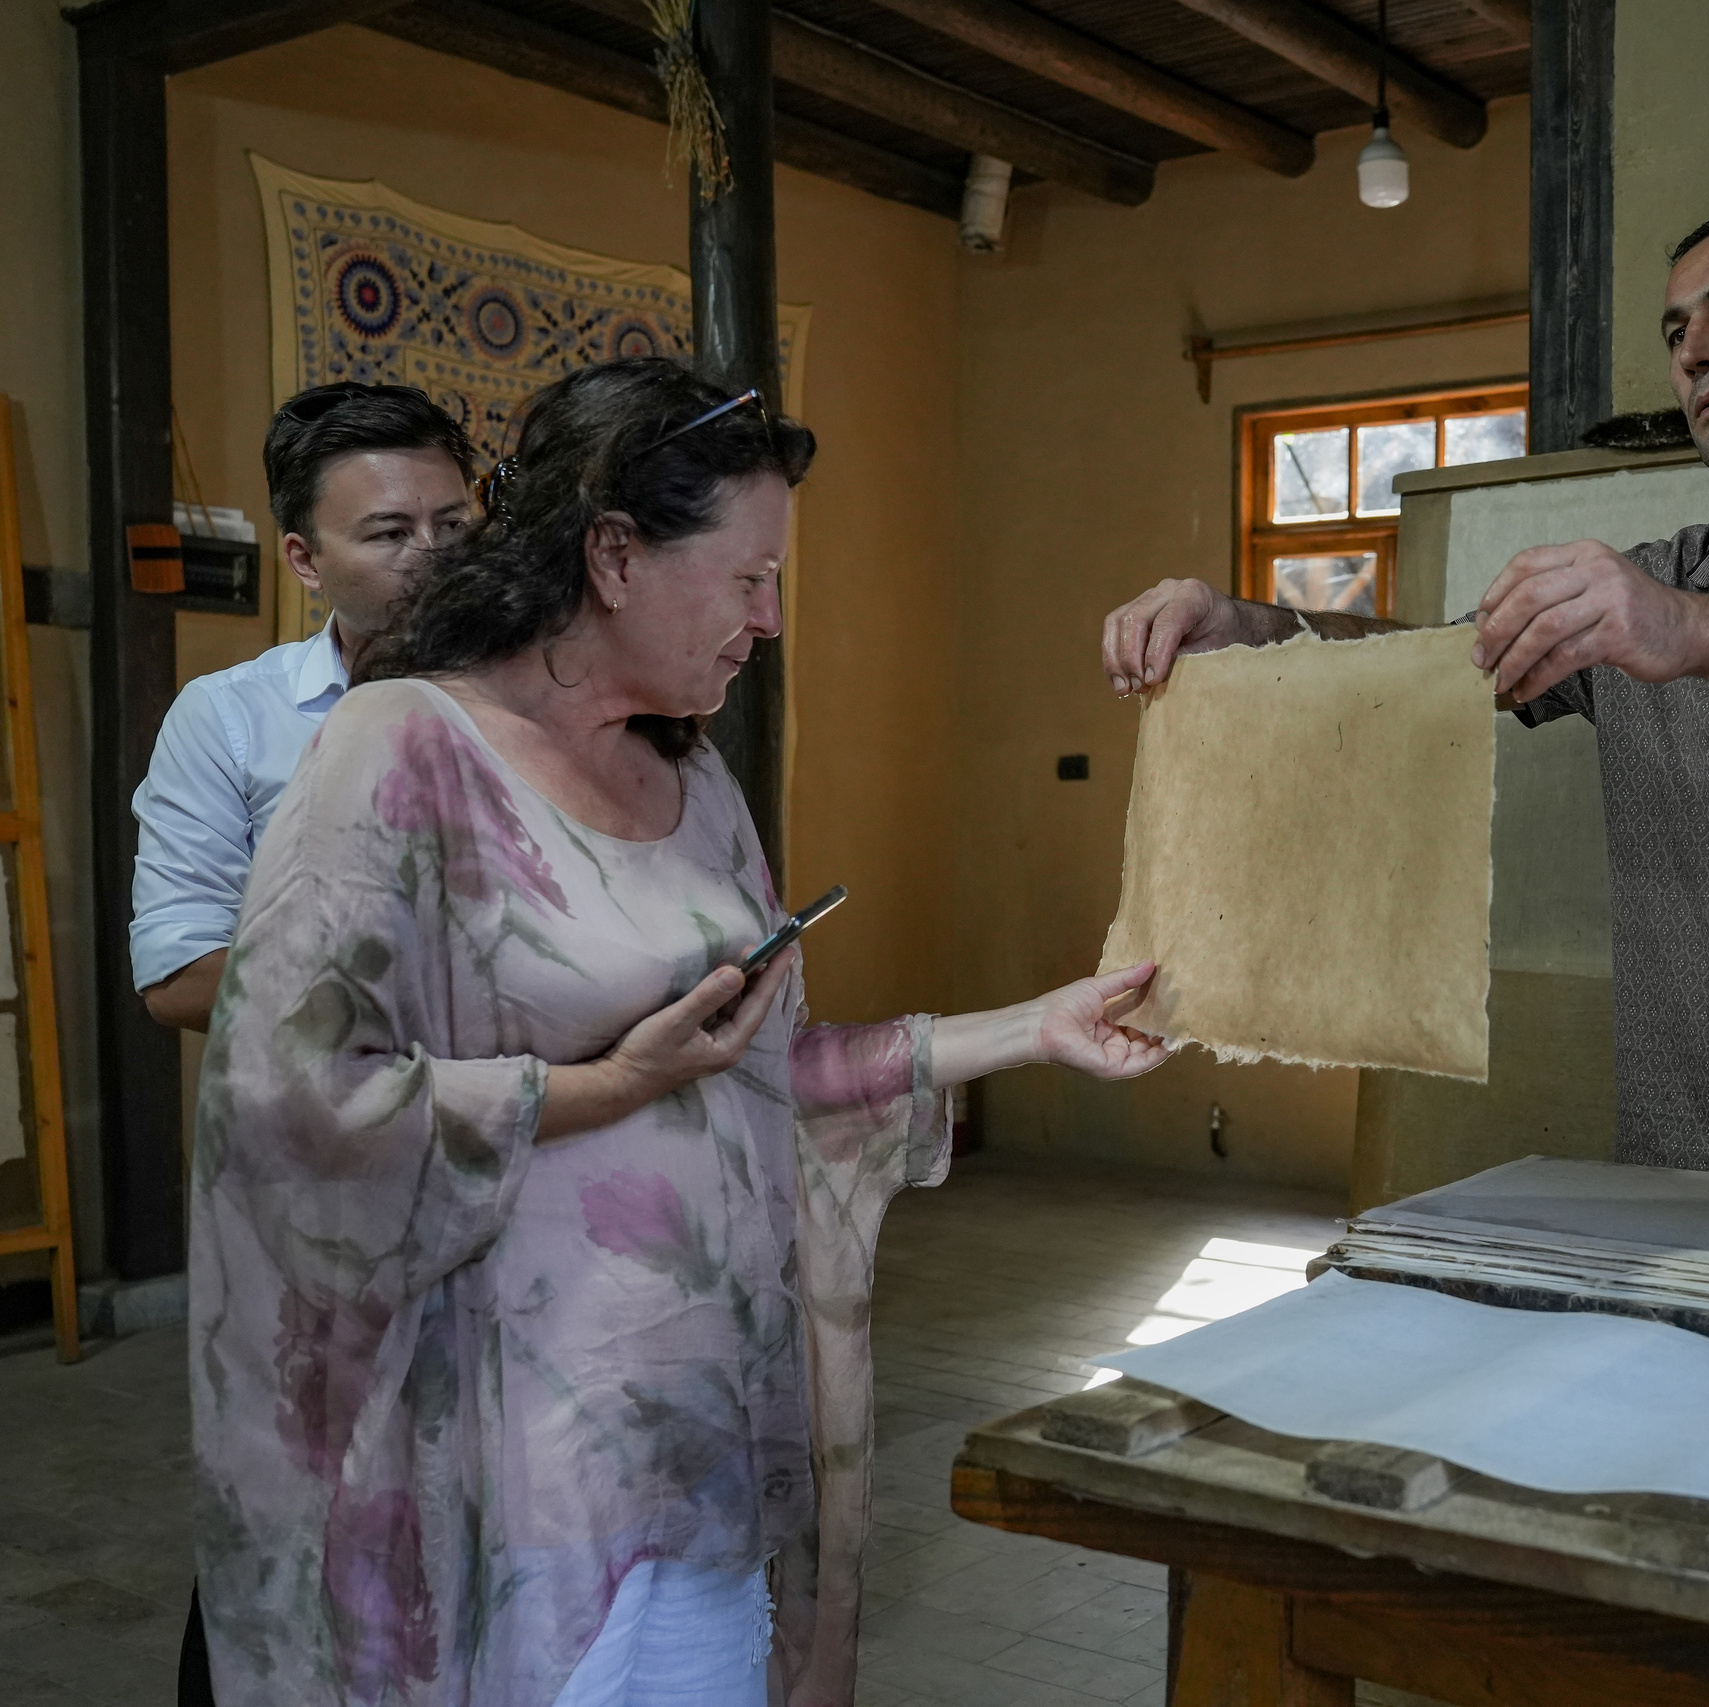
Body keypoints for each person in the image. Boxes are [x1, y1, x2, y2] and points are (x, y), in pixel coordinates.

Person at [188, 357, 1169, 1707]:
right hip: (513, 1459)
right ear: (614, 556)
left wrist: (1037, 1028)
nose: (769, 620)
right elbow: (281, 1094)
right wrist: (598, 1084)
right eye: (749, 578)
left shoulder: (695, 778)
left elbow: (777, 1069)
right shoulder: (401, 748)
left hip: (703, 1435)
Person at [1102, 205, 1709, 1214]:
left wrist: (1690, 632)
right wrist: (1245, 631)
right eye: (1673, 332)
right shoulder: (1659, 584)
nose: (1695, 353)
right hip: (1690, 1193)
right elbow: (1433, 669)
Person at [133, 382, 476, 1032]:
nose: (435, 557)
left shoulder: (544, 693)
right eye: (391, 533)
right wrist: (417, 986)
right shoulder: (228, 718)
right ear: (305, 559)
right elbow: (178, 977)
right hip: (332, 1113)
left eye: (454, 523)